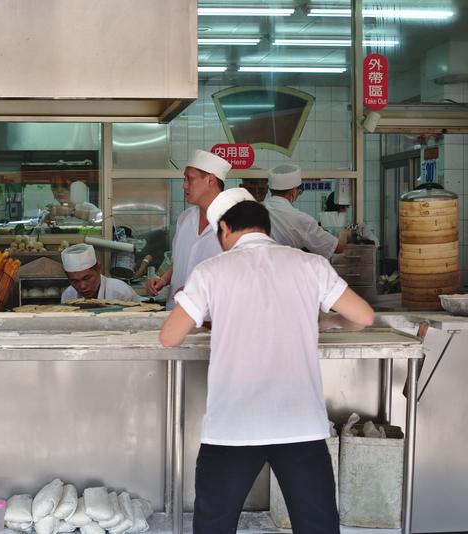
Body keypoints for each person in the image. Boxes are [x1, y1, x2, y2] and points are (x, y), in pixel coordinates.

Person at [160, 188, 375, 534]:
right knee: (317, 526)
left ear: (225, 229)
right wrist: (323, 320)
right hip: (299, 421)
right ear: (267, 229)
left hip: (233, 423)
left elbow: (169, 337)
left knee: (214, 526)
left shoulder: (211, 271)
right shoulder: (310, 265)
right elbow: (363, 316)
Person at [147, 149, 230, 309]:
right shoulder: (185, 218)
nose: (184, 185)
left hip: (212, 319)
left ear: (210, 180)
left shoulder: (237, 222)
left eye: (189, 179)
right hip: (176, 314)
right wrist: (163, 279)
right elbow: (180, 261)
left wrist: (200, 292)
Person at [263, 164, 346, 259]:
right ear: (294, 192)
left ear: (270, 189)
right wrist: (346, 233)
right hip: (288, 270)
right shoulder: (301, 219)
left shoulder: (257, 209)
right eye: (299, 192)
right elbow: (337, 248)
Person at [60, 243, 140, 303]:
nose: (82, 286)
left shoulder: (121, 293)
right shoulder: (68, 296)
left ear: (98, 269)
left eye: (87, 278)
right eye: (75, 281)